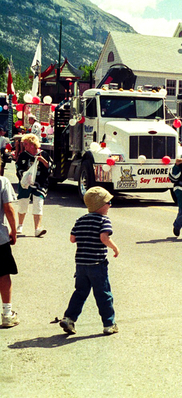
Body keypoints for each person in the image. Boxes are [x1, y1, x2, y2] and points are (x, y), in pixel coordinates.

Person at [59, 186, 120, 335]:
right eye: (108, 203)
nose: (110, 205)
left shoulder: (80, 220)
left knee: (80, 292)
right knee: (103, 294)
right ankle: (109, 324)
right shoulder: (104, 220)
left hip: (81, 265)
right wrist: (115, 248)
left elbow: (72, 239)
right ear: (100, 206)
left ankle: (69, 318)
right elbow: (104, 237)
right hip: (97, 264)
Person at [15, 133, 53, 237]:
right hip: (26, 184)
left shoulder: (43, 154)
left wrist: (42, 161)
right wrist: (25, 176)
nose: (25, 146)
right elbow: (18, 168)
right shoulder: (23, 155)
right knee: (23, 203)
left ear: (32, 144)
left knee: (38, 204)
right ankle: (20, 225)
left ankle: (37, 229)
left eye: (26, 144)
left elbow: (50, 167)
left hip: (40, 184)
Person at [1, 163, 19, 328]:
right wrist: (13, 230)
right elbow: (8, 209)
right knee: (3, 274)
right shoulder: (2, 182)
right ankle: (7, 314)